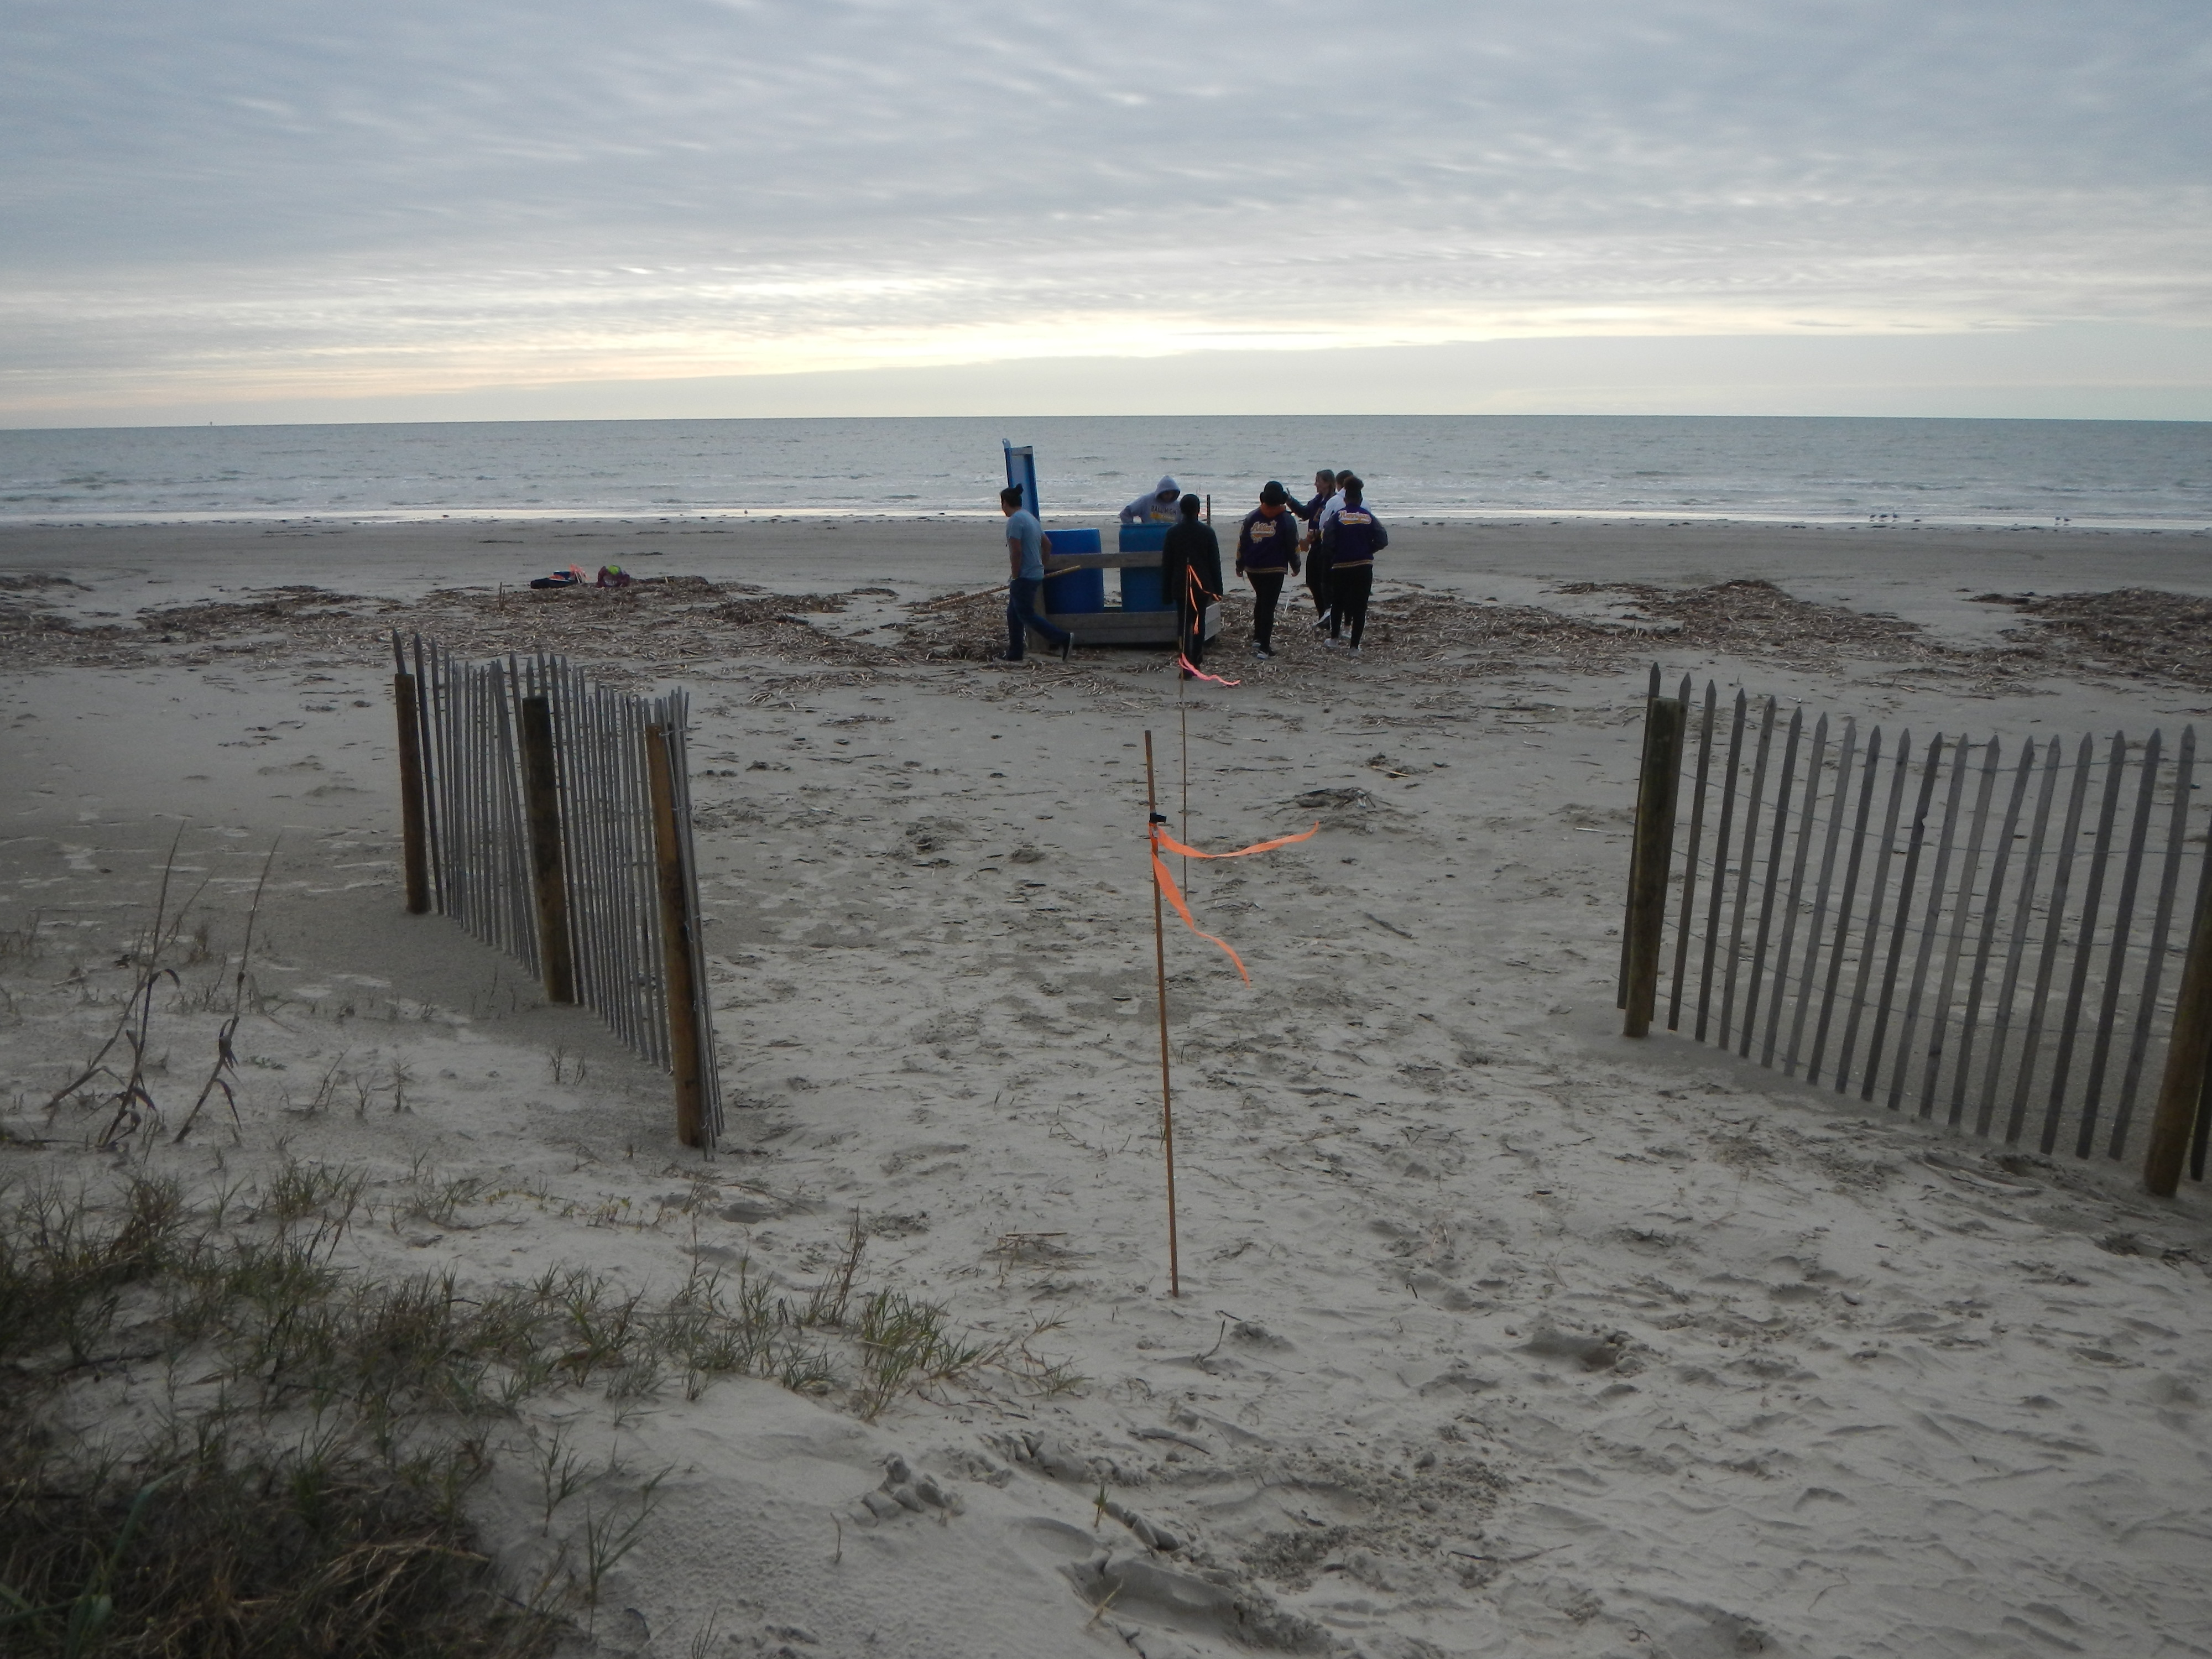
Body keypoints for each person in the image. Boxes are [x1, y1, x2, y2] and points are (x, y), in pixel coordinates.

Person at [999, 486, 1072, 663]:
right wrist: (1041, 565)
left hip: (1024, 576)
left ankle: (1063, 638)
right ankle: (1015, 652)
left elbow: (1016, 552)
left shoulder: (1016, 521)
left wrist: (1016, 575)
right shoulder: (1030, 518)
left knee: (1026, 614)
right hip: (1034, 573)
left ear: (1005, 503)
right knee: (1013, 613)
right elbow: (1047, 545)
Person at [1234, 481, 1302, 658]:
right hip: (1275, 568)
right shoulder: (1287, 520)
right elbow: (1292, 545)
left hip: (1253, 567)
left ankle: (1258, 638)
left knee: (1261, 600)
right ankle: (1265, 647)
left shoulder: (1252, 517)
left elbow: (1243, 542)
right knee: (1268, 606)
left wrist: (1240, 564)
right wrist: (1296, 565)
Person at [1321, 477, 1386, 654]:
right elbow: (1382, 539)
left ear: (1345, 499)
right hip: (1363, 565)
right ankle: (1354, 646)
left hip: (1341, 565)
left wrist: (1336, 554)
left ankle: (1334, 638)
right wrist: (1368, 549)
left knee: (1338, 602)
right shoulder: (1368, 517)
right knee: (1360, 605)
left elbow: (1327, 540)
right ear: (1360, 499)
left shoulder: (1338, 516)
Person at [1160, 493, 1222, 675]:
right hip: (1201, 585)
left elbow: (1167, 564)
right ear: (1198, 510)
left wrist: (1165, 591)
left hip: (1180, 584)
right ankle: (1196, 659)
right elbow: (1214, 563)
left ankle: (1185, 661)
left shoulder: (1173, 533)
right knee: (1198, 622)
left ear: (1181, 510)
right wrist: (1218, 589)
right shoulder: (1207, 533)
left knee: (1183, 624)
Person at [1305, 468, 1355, 631]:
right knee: (1322, 583)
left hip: (1328, 548)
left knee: (1327, 584)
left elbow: (1323, 525)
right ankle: (1338, 622)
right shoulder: (1321, 499)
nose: (1316, 484)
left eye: (1318, 481)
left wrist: (1318, 534)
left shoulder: (1334, 501)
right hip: (1348, 551)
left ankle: (1332, 619)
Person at [1119, 474, 1184, 524]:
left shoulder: (1178, 506)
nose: (1170, 496)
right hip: (1149, 535)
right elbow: (1125, 513)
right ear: (1161, 491)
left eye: (1172, 494)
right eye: (1167, 493)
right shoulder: (1146, 501)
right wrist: (1132, 528)